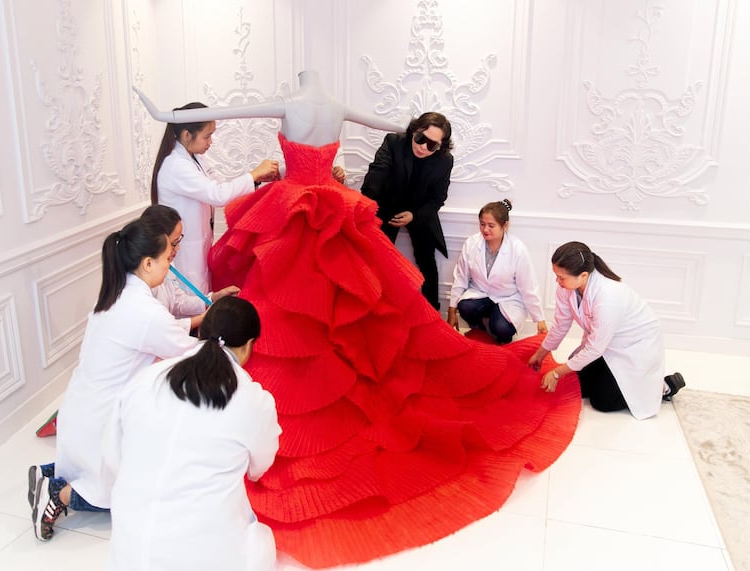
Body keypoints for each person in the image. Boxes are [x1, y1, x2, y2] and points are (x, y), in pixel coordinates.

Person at [135, 70, 581, 568]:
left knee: (298, 305)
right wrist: (407, 124)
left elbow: (229, 113)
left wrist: (167, 115)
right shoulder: (337, 105)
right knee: (345, 306)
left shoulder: (292, 103)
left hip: (298, 205)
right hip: (325, 202)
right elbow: (387, 121)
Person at [28, 218, 198, 541]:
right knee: (119, 497)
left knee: (94, 467)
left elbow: (167, 334)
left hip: (81, 411)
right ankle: (55, 493)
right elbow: (187, 351)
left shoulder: (115, 295)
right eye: (166, 257)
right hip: (101, 422)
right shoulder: (144, 310)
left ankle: (48, 472)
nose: (170, 262)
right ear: (148, 263)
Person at [105, 296, 281, 571]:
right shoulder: (253, 401)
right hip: (202, 555)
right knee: (261, 542)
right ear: (248, 347)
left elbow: (114, 455)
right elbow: (259, 467)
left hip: (129, 551)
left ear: (200, 332)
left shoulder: (147, 379)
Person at [528, 241, 685, 420]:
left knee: (603, 402)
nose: (557, 281)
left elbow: (595, 348)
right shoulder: (566, 289)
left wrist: (557, 372)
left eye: (561, 277)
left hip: (634, 348)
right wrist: (541, 354)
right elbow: (560, 325)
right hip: (606, 344)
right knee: (577, 385)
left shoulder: (608, 296)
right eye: (556, 275)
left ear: (583, 275)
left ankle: (663, 386)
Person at [149, 100, 280, 293]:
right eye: (207, 136)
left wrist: (258, 178)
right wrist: (253, 174)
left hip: (198, 247)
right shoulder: (175, 165)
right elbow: (217, 195)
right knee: (190, 300)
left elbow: (222, 186)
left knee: (201, 298)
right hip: (185, 252)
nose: (211, 142)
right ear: (187, 135)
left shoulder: (196, 159)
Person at [361, 111, 453, 309]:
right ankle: (377, 310)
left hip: (420, 212)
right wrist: (366, 203)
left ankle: (432, 313)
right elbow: (377, 173)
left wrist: (414, 215)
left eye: (432, 145)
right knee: (379, 260)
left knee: (427, 262)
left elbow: (438, 198)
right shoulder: (394, 142)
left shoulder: (445, 160)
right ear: (414, 130)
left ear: (441, 146)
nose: (423, 147)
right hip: (388, 207)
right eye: (421, 138)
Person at [447, 199, 547, 344]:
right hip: (480, 293)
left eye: (491, 225)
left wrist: (540, 319)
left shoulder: (517, 249)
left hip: (508, 298)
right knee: (465, 307)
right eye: (482, 224)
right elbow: (460, 277)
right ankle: (480, 331)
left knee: (501, 328)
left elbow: (528, 286)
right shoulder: (471, 243)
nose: (485, 229)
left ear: (505, 226)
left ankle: (501, 339)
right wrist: (451, 310)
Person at [140, 204, 240, 330]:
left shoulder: (165, 263)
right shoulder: (142, 284)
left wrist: (214, 298)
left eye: (179, 240)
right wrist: (204, 317)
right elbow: (161, 329)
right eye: (174, 243)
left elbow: (178, 301)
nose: (177, 248)